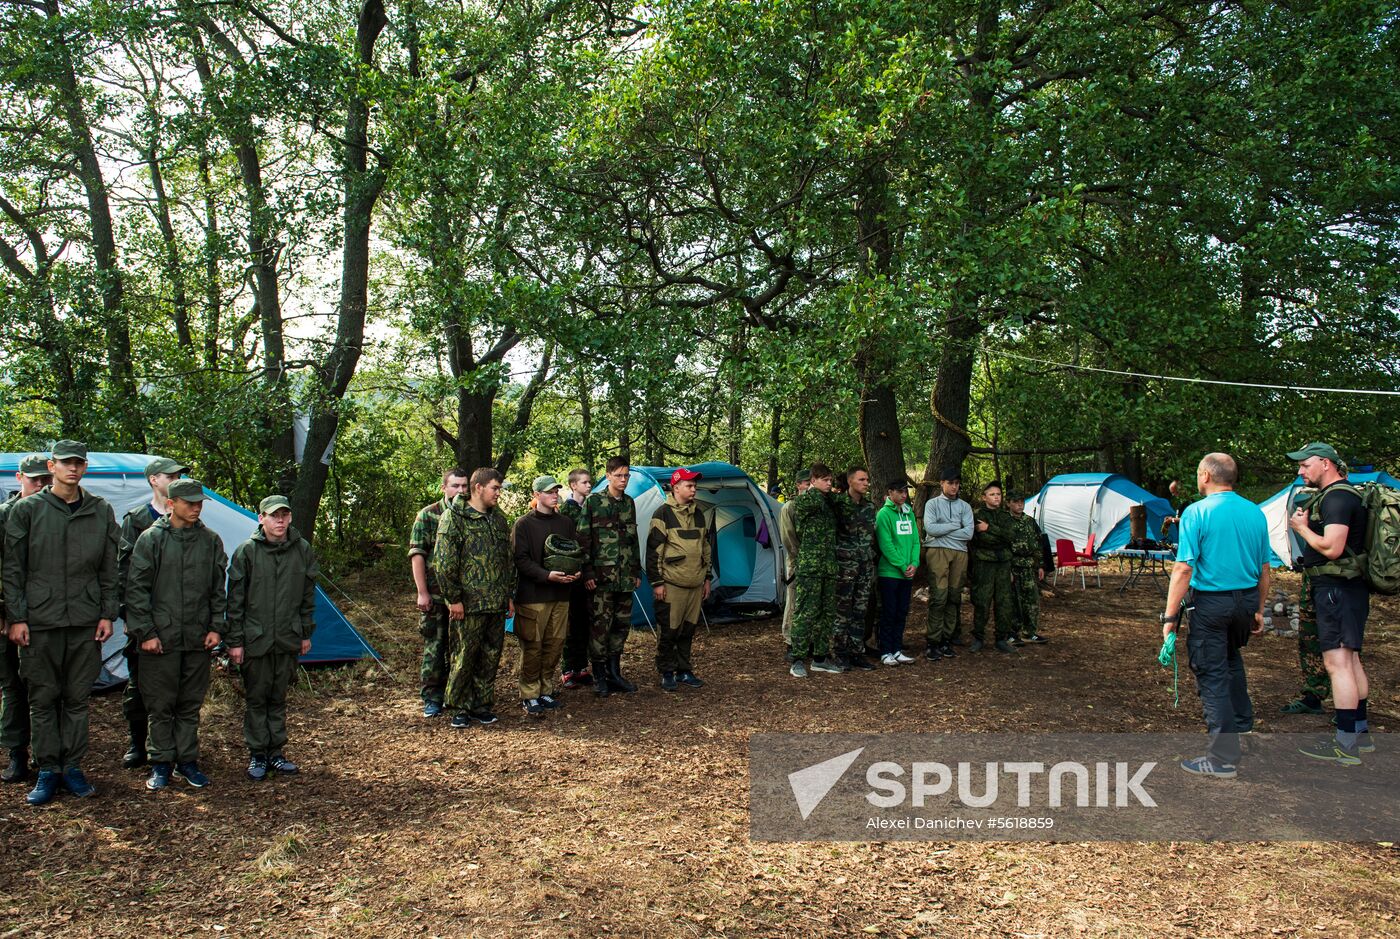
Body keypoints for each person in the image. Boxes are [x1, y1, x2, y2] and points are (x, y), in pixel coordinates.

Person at [2, 440, 119, 806]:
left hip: (85, 621)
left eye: (78, 463)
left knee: (77, 698)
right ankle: (47, 768)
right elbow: (13, 568)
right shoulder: (29, 510)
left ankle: (72, 766)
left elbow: (108, 566)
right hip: (40, 622)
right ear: (52, 466)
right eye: (66, 463)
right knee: (42, 697)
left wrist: (106, 613)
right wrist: (16, 618)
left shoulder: (100, 510)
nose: (73, 468)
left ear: (84, 467)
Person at [1161, 452, 1269, 777]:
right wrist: (1259, 610)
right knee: (1230, 658)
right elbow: (1265, 568)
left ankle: (1222, 758)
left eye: (1197, 473)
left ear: (1206, 475)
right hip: (1246, 601)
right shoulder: (1255, 512)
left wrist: (1168, 621)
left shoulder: (1196, 512)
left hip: (1212, 603)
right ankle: (1242, 727)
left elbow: (1183, 568)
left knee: (1212, 672)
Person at [124, 479, 226, 790]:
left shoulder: (210, 541)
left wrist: (215, 627)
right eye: (189, 502)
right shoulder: (150, 539)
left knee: (189, 703)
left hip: (196, 637)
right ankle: (160, 763)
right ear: (172, 504)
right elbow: (136, 591)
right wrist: (147, 633)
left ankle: (187, 761)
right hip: (160, 640)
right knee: (160, 704)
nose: (195, 507)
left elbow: (217, 589)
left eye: (199, 503)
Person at [1287, 442, 1374, 763]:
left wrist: (1302, 529)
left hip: (1336, 590)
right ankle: (1360, 737)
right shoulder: (1347, 495)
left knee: (1338, 665)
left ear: (1326, 464)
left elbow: (1332, 547)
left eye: (1305, 464)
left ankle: (1345, 744)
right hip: (1348, 589)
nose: (1300, 471)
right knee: (1350, 662)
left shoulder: (1337, 497)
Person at [226, 495, 319, 780]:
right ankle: (257, 755)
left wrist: (305, 633)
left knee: (278, 697)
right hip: (256, 638)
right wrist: (235, 641)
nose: (280, 521)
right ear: (261, 518)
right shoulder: (247, 552)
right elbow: (235, 601)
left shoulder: (301, 550)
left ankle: (276, 753)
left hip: (287, 636)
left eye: (284, 515)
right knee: (257, 697)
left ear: (290, 517)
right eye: (273, 515)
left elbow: (306, 596)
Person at [116, 455, 188, 770]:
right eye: (170, 476)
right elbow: (125, 574)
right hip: (144, 618)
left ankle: (172, 745)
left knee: (179, 685)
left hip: (179, 620)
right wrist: (132, 618)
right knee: (139, 684)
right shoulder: (136, 520)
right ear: (153, 480)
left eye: (179, 476)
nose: (176, 479)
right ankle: (137, 742)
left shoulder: (189, 519)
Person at [435, 468, 516, 727]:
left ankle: (481, 704)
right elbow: (444, 564)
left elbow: (507, 561)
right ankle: (459, 706)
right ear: (478, 487)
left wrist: (508, 596)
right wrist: (453, 598)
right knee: (464, 656)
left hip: (495, 602)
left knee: (490, 655)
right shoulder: (454, 518)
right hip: (468, 604)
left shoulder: (498, 519)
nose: (498, 493)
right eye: (495, 488)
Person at [0, 454, 51, 785]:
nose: (40, 485)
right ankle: (17, 754)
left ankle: (49, 756)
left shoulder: (53, 514)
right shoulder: (4, 516)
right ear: (19, 478)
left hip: (46, 615)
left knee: (47, 689)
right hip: (9, 617)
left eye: (45, 480)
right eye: (34, 480)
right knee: (13, 687)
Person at [512, 475, 579, 716]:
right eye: (550, 491)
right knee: (533, 645)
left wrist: (576, 572)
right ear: (537, 495)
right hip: (533, 596)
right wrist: (546, 575)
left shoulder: (565, 523)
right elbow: (520, 560)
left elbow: (574, 551)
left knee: (555, 644)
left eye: (556, 491)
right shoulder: (523, 524)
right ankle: (529, 694)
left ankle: (546, 689)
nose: (555, 495)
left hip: (561, 594)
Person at [408, 468, 469, 718]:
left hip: (462, 596)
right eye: (455, 486)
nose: (461, 491)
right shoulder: (428, 515)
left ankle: (455, 695)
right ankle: (432, 696)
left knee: (460, 648)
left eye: (465, 486)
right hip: (434, 594)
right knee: (435, 645)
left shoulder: (470, 514)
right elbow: (417, 554)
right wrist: (422, 592)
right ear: (444, 488)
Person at [647, 467, 715, 691]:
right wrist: (657, 582)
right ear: (676, 488)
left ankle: (684, 670)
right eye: (689, 485)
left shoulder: (698, 513)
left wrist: (707, 578)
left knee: (688, 629)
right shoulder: (662, 513)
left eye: (695, 485)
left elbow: (705, 547)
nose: (694, 488)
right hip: (671, 584)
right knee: (669, 630)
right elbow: (654, 550)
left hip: (695, 584)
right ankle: (667, 671)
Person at [579, 457, 641, 697]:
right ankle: (600, 676)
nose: (623, 480)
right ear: (608, 476)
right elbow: (584, 538)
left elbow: (633, 539)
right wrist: (587, 571)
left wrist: (635, 571)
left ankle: (615, 674)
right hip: (601, 578)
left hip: (625, 578)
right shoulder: (594, 502)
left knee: (621, 626)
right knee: (600, 627)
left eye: (626, 475)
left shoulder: (629, 503)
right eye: (619, 475)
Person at [789, 464, 843, 677]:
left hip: (828, 566)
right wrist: (818, 492)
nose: (829, 484)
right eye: (825, 480)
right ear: (813, 480)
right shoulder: (805, 500)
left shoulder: (828, 502)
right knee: (805, 613)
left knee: (826, 614)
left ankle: (820, 658)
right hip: (810, 567)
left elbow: (843, 504)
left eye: (831, 480)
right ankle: (798, 659)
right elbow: (808, 503)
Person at [922, 467, 972, 660]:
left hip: (960, 553)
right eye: (950, 483)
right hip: (937, 552)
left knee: (953, 597)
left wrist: (944, 530)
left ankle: (946, 640)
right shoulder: (932, 504)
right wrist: (955, 525)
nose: (954, 487)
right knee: (939, 596)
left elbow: (968, 533)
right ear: (942, 483)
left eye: (957, 484)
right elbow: (931, 529)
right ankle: (932, 642)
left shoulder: (965, 507)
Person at [833, 466, 877, 670]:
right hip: (845, 567)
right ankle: (840, 653)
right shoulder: (838, 504)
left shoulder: (869, 507)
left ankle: (856, 652)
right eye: (862, 480)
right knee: (843, 611)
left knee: (860, 610)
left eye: (867, 480)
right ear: (850, 481)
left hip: (865, 566)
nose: (866, 483)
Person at [968, 480, 1016, 654]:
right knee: (982, 600)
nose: (996, 497)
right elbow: (981, 539)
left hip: (1003, 563)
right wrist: (996, 535)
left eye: (998, 494)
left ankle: (1001, 638)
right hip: (984, 563)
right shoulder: (978, 514)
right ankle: (978, 638)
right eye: (992, 494)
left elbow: (1011, 535)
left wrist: (989, 528)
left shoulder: (1005, 515)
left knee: (1004, 602)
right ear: (984, 497)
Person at [557, 468, 595, 689]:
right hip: (573, 576)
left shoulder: (589, 507)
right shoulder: (566, 511)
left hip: (588, 574)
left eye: (590, 482)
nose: (589, 486)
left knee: (585, 622)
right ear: (573, 485)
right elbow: (567, 545)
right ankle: (568, 669)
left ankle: (581, 667)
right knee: (571, 623)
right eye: (584, 483)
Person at [874, 479, 919, 666]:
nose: (903, 495)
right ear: (890, 492)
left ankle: (897, 649)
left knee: (902, 611)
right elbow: (886, 544)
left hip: (907, 573)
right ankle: (885, 651)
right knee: (889, 612)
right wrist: (902, 565)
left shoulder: (909, 513)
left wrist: (914, 563)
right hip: (890, 573)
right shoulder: (884, 514)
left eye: (905, 491)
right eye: (899, 491)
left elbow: (916, 541)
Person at [1006, 492, 1048, 645]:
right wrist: (1007, 568)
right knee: (1012, 602)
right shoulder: (1005, 521)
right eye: (1016, 502)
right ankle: (1011, 633)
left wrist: (1041, 565)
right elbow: (1003, 546)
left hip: (1028, 567)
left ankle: (1029, 632)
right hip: (1012, 566)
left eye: (1022, 502)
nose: (1019, 505)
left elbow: (1038, 544)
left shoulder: (1029, 521)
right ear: (1008, 503)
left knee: (1031, 600)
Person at [779, 470, 811, 651]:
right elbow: (788, 538)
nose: (808, 487)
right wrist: (800, 559)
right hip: (796, 561)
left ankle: (809, 640)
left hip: (814, 563)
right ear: (798, 485)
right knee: (794, 601)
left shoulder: (816, 505)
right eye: (806, 483)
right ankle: (791, 640)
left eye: (811, 483)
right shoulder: (790, 507)